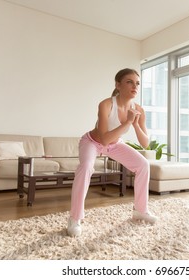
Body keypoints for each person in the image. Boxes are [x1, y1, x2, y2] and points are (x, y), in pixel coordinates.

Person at [67, 68, 158, 237]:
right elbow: (103, 140)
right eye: (129, 82)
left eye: (137, 83)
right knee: (86, 167)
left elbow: (146, 144)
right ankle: (75, 218)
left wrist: (136, 124)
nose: (134, 86)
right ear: (118, 84)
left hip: (115, 144)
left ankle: (140, 210)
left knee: (143, 164)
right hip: (93, 142)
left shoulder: (138, 109)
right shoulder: (106, 104)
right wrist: (128, 122)